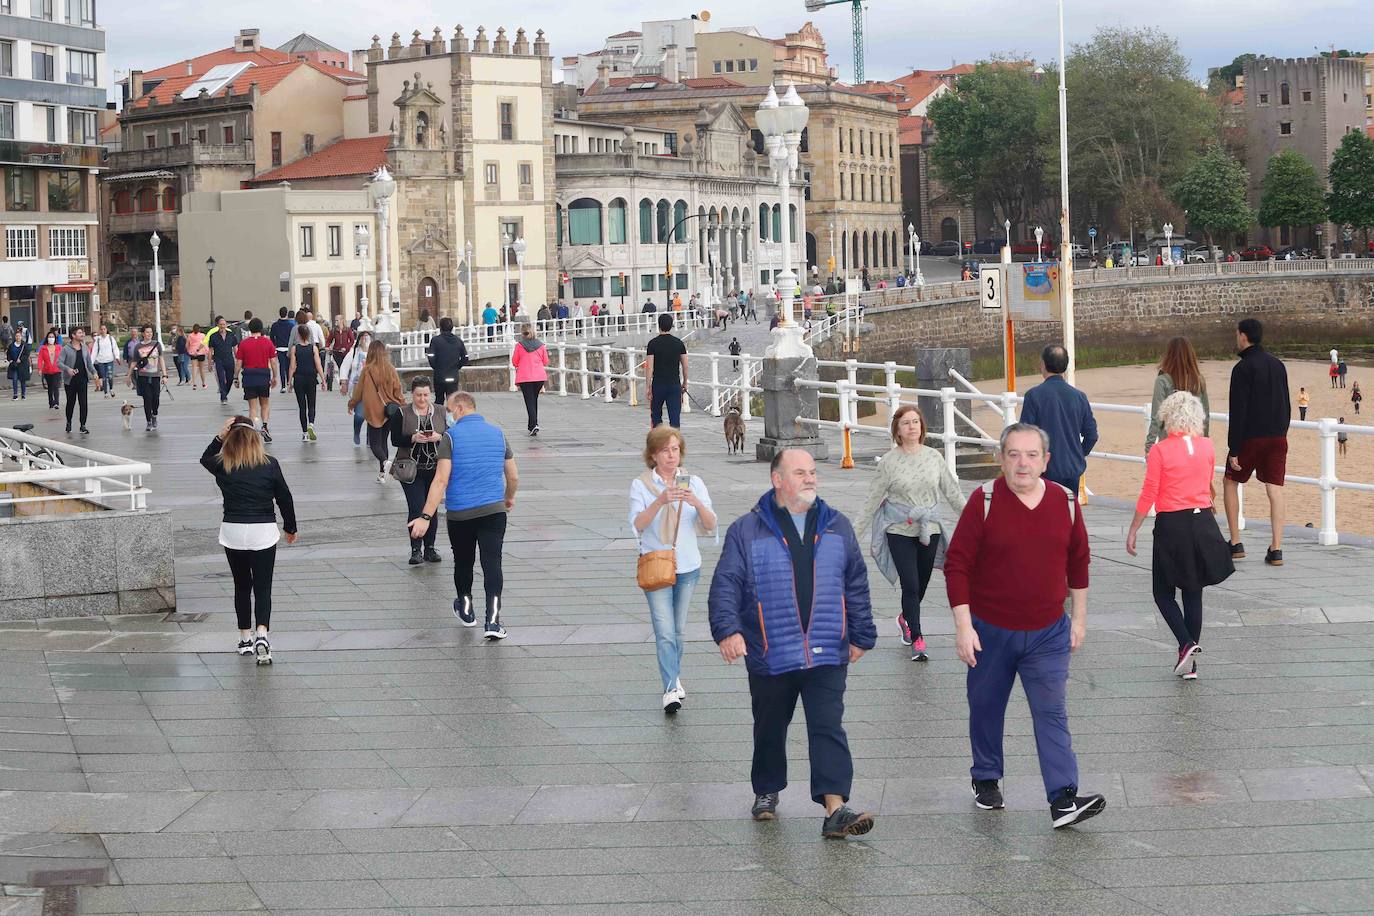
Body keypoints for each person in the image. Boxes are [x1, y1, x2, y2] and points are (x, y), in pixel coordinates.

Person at [942, 423, 1105, 829]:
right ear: (1001, 459)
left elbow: (1079, 563)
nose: (1022, 463)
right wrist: (964, 627)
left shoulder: (1065, 501)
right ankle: (986, 777)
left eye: (1032, 455)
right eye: (1013, 454)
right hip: (990, 629)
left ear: (1046, 461)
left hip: (1048, 631)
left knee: (1052, 712)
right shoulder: (984, 500)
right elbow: (956, 565)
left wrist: (1079, 619)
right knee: (986, 708)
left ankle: (1063, 798)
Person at [708, 449, 878, 838]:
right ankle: (767, 790)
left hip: (826, 648)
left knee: (827, 725)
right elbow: (726, 585)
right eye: (800, 473)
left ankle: (835, 808)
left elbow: (855, 583)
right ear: (777, 480)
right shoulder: (746, 530)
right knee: (770, 725)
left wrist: (862, 633)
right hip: (771, 650)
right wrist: (728, 631)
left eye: (813, 472)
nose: (810, 479)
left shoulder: (837, 526)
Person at [1126, 392, 1234, 681]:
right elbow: (1207, 482)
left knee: (1162, 592)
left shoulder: (1160, 451)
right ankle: (1191, 663)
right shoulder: (1207, 446)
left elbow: (1149, 492)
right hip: (1202, 521)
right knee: (1193, 591)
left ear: (1167, 417)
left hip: (1172, 523)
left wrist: (1134, 528)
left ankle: (1186, 643)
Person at [408, 391, 519, 640]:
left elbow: (441, 479)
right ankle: (493, 621)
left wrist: (425, 517)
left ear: (459, 408)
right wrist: (508, 497)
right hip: (493, 510)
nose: (447, 415)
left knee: (464, 561)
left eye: (448, 410)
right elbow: (513, 475)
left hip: (461, 514)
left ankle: (467, 611)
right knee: (493, 563)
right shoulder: (498, 434)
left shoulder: (451, 437)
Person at [860, 405, 965, 661]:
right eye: (906, 423)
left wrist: (979, 521)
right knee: (910, 584)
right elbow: (872, 499)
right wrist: (853, 532)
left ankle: (905, 618)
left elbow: (952, 492)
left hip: (929, 529)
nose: (912, 427)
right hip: (898, 529)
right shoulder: (889, 462)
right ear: (897, 429)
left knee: (921, 585)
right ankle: (917, 638)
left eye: (916, 422)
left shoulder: (933, 457)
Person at [629, 426, 718, 713]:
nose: (671, 455)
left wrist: (695, 502)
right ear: (653, 454)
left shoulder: (694, 482)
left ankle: (674, 675)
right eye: (665, 450)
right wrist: (660, 500)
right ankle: (670, 689)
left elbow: (711, 523)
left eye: (675, 449)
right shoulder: (641, 484)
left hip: (688, 564)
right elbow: (638, 524)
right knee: (664, 630)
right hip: (656, 564)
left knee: (678, 630)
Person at [201, 416, 297, 666]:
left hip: (233, 529)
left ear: (230, 439)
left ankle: (244, 638)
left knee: (242, 585)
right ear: (256, 438)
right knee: (263, 586)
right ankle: (262, 634)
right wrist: (290, 527)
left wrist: (219, 436)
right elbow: (284, 497)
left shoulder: (223, 464)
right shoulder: (270, 464)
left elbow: (204, 458)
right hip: (263, 529)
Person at [1223, 318, 1290, 567]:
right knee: (1275, 488)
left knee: (1230, 481)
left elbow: (1238, 411)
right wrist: (1283, 431)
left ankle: (1236, 542)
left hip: (1252, 436)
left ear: (1243, 336)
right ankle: (1276, 548)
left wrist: (1234, 449)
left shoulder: (1242, 368)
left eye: (1236, 334)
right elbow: (1287, 402)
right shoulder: (1278, 364)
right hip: (1278, 436)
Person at [1018, 344, 1098, 494]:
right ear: (1065, 366)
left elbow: (1024, 435)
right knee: (1068, 513)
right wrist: (1078, 454)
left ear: (1043, 364)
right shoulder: (1079, 396)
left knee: (1043, 514)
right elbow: (1092, 435)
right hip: (1072, 469)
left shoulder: (1034, 395)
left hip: (1043, 469)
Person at [390, 376, 447, 565]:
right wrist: (414, 438)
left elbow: (451, 434)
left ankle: (430, 548)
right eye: (418, 395)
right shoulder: (401, 413)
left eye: (425, 395)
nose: (422, 399)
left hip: (434, 468)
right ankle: (416, 550)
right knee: (416, 507)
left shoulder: (441, 411)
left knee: (431, 508)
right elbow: (395, 440)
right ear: (412, 394)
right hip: (411, 468)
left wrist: (439, 436)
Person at [346, 339, 405, 482]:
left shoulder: (367, 369)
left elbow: (358, 391)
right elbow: (398, 389)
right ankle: (382, 474)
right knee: (383, 442)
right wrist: (403, 404)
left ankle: (385, 463)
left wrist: (352, 403)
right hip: (389, 410)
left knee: (374, 444)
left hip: (374, 411)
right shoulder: (390, 368)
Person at [1145, 337, 1210, 452]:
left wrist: (1149, 446)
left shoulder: (1163, 381)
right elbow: (1205, 415)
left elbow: (1157, 417)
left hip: (1169, 444)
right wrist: (1204, 441)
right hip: (1194, 444)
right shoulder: (1199, 380)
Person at [235, 318, 278, 442]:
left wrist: (235, 377)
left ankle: (252, 431)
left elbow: (238, 363)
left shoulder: (243, 343)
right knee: (265, 404)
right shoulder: (267, 342)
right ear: (261, 328)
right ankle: (264, 426)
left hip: (249, 376)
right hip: (263, 375)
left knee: (252, 408)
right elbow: (273, 362)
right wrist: (274, 377)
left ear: (250, 329)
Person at [645, 313, 688, 428]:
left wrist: (648, 386)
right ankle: (675, 444)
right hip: (674, 384)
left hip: (658, 384)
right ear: (671, 325)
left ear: (659, 325)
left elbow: (649, 367)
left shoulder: (652, 344)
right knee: (674, 419)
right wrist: (685, 382)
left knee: (656, 417)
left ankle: (657, 443)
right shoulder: (679, 343)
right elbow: (685, 365)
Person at [286, 324, 325, 441]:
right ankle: (311, 424)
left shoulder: (294, 349)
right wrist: (323, 379)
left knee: (302, 406)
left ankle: (304, 433)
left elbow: (292, 366)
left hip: (299, 378)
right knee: (312, 404)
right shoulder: (313, 348)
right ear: (308, 335)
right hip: (311, 378)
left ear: (298, 335)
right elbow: (318, 364)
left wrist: (289, 382)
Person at [127, 326, 167, 431]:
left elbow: (161, 359)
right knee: (147, 399)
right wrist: (128, 376)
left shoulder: (157, 345)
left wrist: (165, 375)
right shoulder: (138, 347)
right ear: (143, 334)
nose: (149, 334)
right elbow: (134, 362)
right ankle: (149, 421)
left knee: (156, 399)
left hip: (155, 376)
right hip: (143, 376)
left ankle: (154, 415)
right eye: (147, 332)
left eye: (151, 332)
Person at [511, 323, 549, 436]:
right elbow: (545, 361)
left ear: (522, 333)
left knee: (529, 401)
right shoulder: (541, 345)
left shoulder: (519, 346)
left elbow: (514, 362)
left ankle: (534, 425)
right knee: (534, 400)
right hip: (539, 377)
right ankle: (532, 425)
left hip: (525, 377)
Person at [339, 330, 374, 447]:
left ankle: (370, 438)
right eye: (363, 338)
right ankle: (357, 430)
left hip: (373, 389)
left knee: (371, 414)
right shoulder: (353, 352)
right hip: (357, 388)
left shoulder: (374, 354)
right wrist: (343, 383)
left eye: (367, 338)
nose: (365, 340)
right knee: (359, 414)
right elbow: (344, 367)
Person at [58, 326, 95, 435]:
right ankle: (69, 422)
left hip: (83, 379)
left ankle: (83, 425)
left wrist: (95, 373)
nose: (82, 334)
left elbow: (89, 363)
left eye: (82, 333)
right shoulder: (66, 349)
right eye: (80, 333)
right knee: (71, 402)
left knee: (83, 403)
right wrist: (68, 369)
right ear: (73, 335)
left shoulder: (84, 348)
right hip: (70, 381)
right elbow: (59, 363)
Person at [426, 316, 470, 401]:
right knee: (452, 400)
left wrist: (436, 367)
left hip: (439, 375)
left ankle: (439, 414)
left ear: (440, 328)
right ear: (452, 328)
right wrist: (457, 366)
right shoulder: (458, 341)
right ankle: (451, 414)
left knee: (439, 399)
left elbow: (431, 356)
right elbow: (465, 358)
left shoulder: (435, 340)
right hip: (453, 375)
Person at [206, 316, 240, 403]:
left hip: (229, 360)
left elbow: (235, 348)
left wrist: (239, 360)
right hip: (218, 360)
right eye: (220, 324)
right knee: (221, 379)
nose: (222, 326)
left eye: (224, 324)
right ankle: (223, 397)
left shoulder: (231, 335)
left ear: (226, 325)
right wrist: (209, 363)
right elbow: (210, 351)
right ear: (217, 325)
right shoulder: (213, 336)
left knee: (229, 379)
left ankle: (225, 393)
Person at [269, 307, 296, 393]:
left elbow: (271, 337)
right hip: (289, 348)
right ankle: (289, 383)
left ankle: (283, 386)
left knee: (282, 366)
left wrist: (275, 345)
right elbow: (293, 338)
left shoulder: (275, 325)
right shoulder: (291, 325)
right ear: (286, 314)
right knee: (289, 366)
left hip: (279, 348)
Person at [91, 324, 121, 397]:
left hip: (109, 360)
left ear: (106, 330)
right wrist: (91, 362)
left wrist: (117, 357)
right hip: (101, 361)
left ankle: (111, 389)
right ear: (100, 330)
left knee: (110, 376)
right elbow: (94, 351)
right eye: (101, 329)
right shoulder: (98, 340)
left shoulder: (110, 338)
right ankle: (105, 392)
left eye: (104, 329)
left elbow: (115, 348)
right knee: (103, 377)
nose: (103, 331)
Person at [37, 330, 61, 409]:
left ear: (55, 338)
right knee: (50, 387)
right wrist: (40, 369)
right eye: (49, 337)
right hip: (47, 371)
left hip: (57, 370)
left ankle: (56, 402)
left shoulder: (58, 347)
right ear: (47, 338)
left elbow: (63, 358)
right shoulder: (43, 348)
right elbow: (40, 359)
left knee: (56, 386)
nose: (51, 338)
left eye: (52, 337)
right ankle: (51, 402)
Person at [7, 327, 31, 399]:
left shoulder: (24, 345)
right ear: (15, 337)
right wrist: (10, 360)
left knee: (22, 380)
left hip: (22, 365)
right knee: (14, 379)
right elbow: (8, 354)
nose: (18, 337)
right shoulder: (11, 345)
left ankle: (23, 394)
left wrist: (21, 359)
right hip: (14, 365)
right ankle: (15, 394)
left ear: (21, 337)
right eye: (16, 336)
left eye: (19, 336)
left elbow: (27, 354)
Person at [186, 324, 209, 390]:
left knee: (194, 368)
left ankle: (194, 383)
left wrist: (189, 351)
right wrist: (207, 351)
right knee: (201, 369)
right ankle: (203, 383)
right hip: (201, 353)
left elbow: (187, 345)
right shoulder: (202, 335)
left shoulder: (190, 336)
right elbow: (204, 344)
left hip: (193, 353)